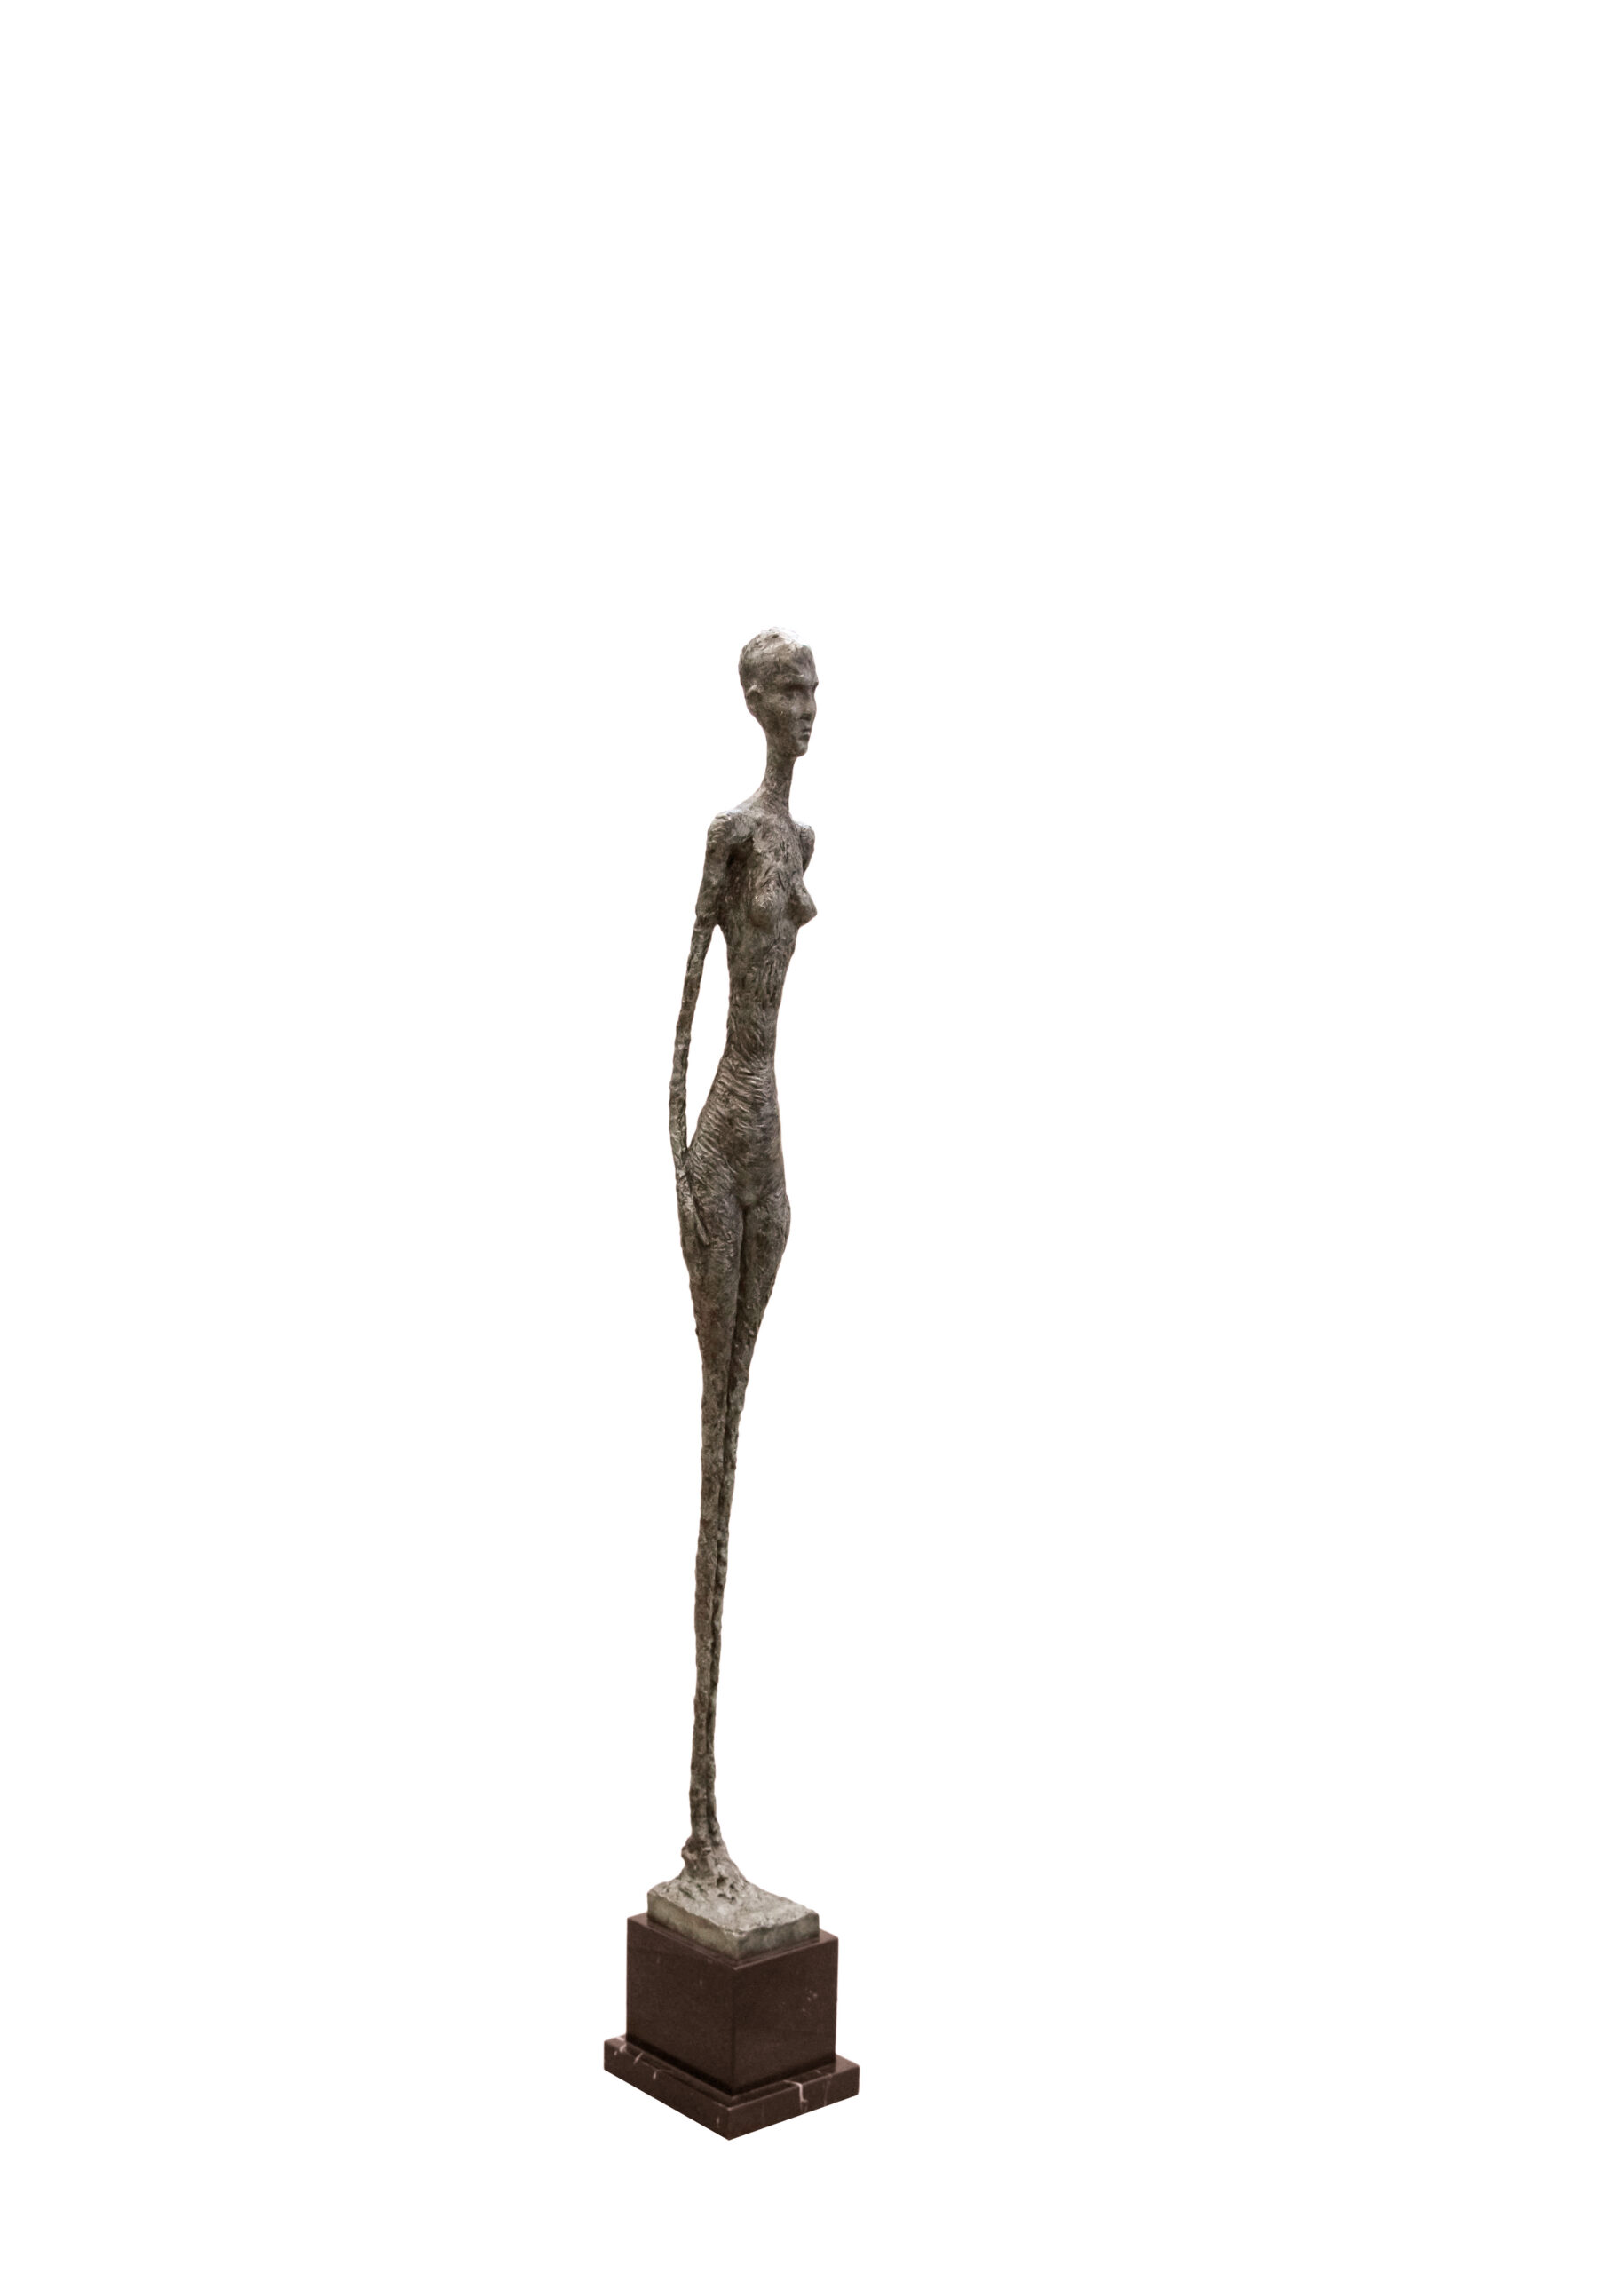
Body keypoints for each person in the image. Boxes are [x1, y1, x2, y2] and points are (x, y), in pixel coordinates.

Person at [664, 628, 819, 1915]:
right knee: (713, 1430)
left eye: (815, 689)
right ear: (752, 701)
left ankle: (713, 1820)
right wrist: (675, 1162)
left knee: (740, 1423)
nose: (807, 707)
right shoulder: (729, 838)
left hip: (772, 1137)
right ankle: (698, 1827)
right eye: (789, 690)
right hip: (723, 1131)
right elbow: (678, 1019)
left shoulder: (801, 842)